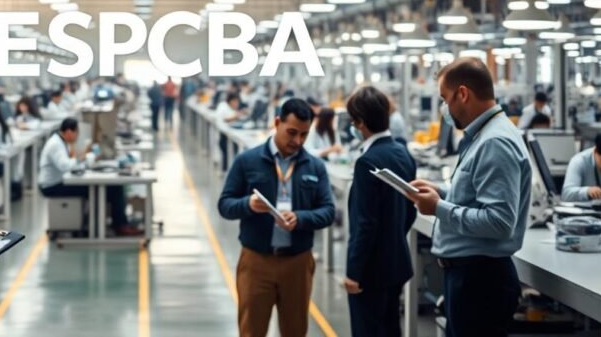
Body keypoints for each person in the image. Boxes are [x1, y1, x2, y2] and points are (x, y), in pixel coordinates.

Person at [408, 58, 531, 337]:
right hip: (471, 277)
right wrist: (442, 193)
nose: (444, 109)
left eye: (445, 99)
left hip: (480, 281)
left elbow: (499, 221)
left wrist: (438, 207)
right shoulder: (483, 136)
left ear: (462, 93)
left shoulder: (494, 142)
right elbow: (477, 198)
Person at [218, 98, 336, 337]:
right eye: (292, 133)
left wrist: (300, 218)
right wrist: (248, 204)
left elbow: (328, 211)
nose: (297, 141)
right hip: (256, 262)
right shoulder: (247, 161)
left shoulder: (314, 167)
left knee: (295, 330)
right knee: (252, 330)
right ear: (276, 122)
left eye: (304, 135)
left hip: (298, 263)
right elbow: (225, 205)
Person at [342, 87, 417, 337]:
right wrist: (392, 237)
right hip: (395, 264)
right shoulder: (403, 154)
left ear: (360, 122)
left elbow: (365, 223)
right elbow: (409, 211)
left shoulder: (367, 162)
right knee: (390, 328)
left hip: (370, 272)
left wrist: (354, 272)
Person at [38, 118, 139, 236]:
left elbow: (68, 164)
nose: (77, 137)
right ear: (69, 132)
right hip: (52, 186)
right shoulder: (56, 144)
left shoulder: (60, 142)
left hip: (59, 181)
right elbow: (65, 166)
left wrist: (82, 160)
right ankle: (117, 226)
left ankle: (109, 224)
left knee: (110, 188)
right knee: (109, 189)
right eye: (77, 133)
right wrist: (83, 158)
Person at [215, 92, 245, 171]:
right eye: (236, 102)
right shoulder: (223, 107)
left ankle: (226, 169)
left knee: (228, 155)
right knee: (228, 154)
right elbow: (226, 119)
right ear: (232, 101)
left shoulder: (225, 106)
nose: (237, 104)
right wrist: (237, 116)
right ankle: (227, 170)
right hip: (225, 134)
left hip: (226, 134)